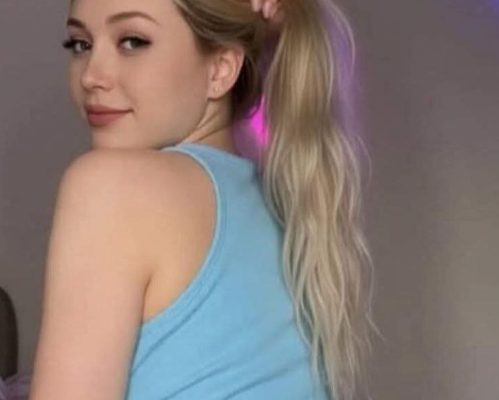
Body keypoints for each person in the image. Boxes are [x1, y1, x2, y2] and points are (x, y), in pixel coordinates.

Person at [29, 0, 380, 399]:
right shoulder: (278, 203)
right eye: (80, 44)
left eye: (132, 41)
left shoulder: (111, 187)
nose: (92, 75)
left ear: (221, 69)